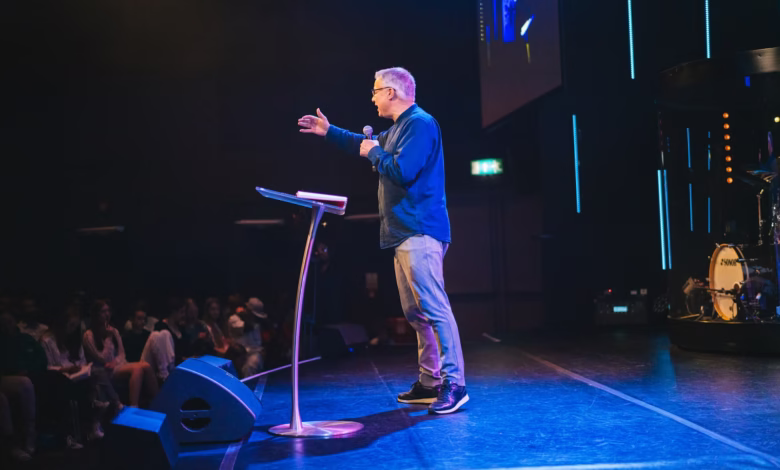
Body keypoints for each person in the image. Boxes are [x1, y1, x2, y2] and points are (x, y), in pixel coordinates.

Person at [297, 67, 468, 414]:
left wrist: (375, 153)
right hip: (403, 233)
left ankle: (455, 383)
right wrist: (330, 132)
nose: (372, 97)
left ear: (391, 92)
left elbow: (403, 170)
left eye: (375, 91)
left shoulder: (420, 124)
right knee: (416, 312)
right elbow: (364, 144)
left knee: (434, 308)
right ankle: (430, 382)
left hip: (420, 230)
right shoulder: (398, 129)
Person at [83, 301, 157, 407]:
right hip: (103, 369)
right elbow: (101, 358)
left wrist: (115, 362)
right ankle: (134, 407)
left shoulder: (114, 331)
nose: (107, 314)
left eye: (108, 311)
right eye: (103, 311)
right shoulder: (89, 335)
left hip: (116, 365)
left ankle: (157, 402)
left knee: (146, 365)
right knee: (137, 369)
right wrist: (108, 338)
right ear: (96, 314)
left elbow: (122, 354)